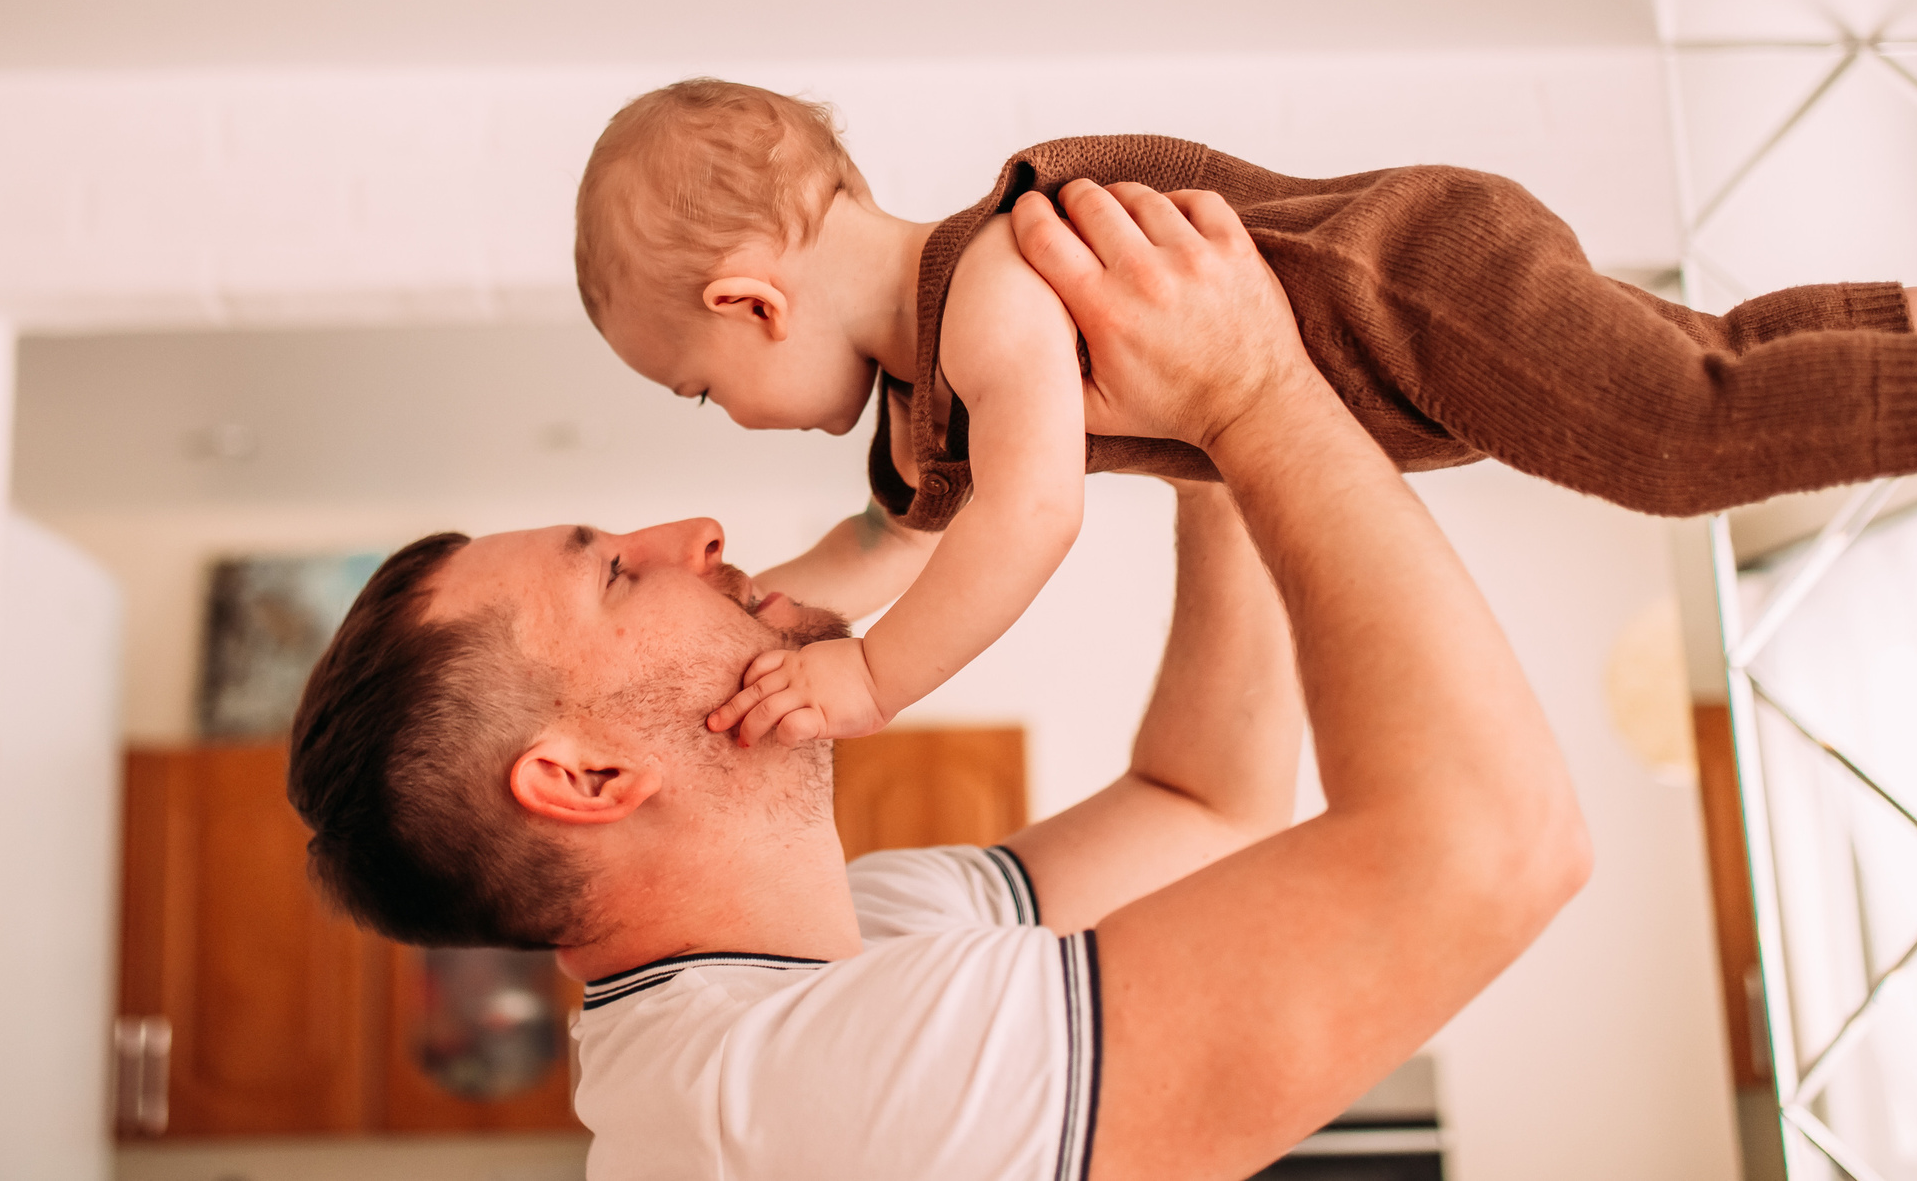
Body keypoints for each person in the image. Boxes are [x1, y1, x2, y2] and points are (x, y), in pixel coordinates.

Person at [289, 179, 1592, 1180]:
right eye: (617, 576)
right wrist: (1256, 392)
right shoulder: (790, 1100)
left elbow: (1205, 808)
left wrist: (1214, 444)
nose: (692, 535)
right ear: (583, 778)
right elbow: (1495, 849)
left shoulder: (851, 942)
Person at [572, 78, 1917, 747]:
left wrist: (873, 687)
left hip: (1414, 279)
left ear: (751, 305)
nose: (727, 419)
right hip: (1411, 349)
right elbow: (887, 538)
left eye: (704, 392)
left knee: (1676, 440)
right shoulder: (922, 404)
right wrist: (776, 621)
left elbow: (1032, 514)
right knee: (1716, 363)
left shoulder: (989, 293)